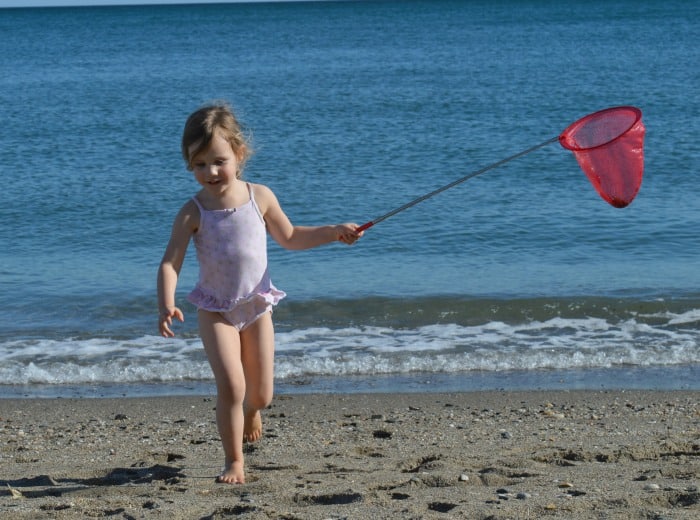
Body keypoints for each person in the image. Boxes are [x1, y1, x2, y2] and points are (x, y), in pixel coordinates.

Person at [157, 102, 362, 484]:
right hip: (215, 309)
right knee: (231, 385)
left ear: (238, 152)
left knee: (262, 395)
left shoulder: (259, 197)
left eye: (218, 161)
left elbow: (290, 237)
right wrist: (166, 303)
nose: (210, 172)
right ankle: (234, 461)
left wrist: (334, 231)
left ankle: (253, 411)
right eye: (199, 165)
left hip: (256, 305)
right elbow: (171, 262)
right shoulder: (193, 212)